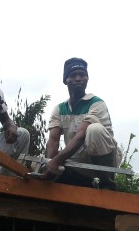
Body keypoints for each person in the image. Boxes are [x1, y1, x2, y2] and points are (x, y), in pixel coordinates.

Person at [42, 57, 121, 190]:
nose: (78, 78)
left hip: (104, 159)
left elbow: (80, 135)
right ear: (65, 80)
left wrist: (57, 160)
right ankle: (81, 181)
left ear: (87, 78)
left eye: (82, 75)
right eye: (73, 75)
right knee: (41, 164)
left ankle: (107, 184)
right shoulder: (59, 109)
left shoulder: (96, 103)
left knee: (94, 130)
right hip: (77, 159)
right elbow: (53, 140)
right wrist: (49, 163)